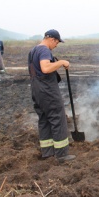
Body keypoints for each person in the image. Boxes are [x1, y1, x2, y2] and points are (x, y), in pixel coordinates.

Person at [28, 29, 76, 162]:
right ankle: (62, 154)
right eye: (57, 42)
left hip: (36, 90)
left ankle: (47, 152)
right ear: (52, 39)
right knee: (57, 118)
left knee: (44, 119)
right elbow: (45, 68)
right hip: (47, 90)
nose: (57, 45)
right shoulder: (44, 50)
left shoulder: (33, 51)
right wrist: (62, 62)